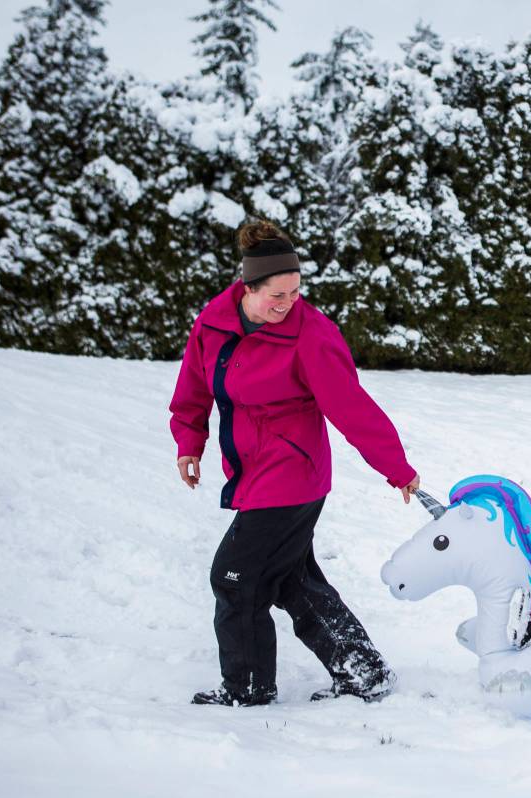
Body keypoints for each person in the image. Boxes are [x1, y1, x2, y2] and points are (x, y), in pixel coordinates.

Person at [169, 219, 420, 707]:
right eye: (276, 295)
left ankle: (247, 688)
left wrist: (396, 467)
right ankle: (363, 671)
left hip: (292, 475)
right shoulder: (214, 323)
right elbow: (194, 388)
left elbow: (351, 406)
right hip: (255, 471)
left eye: (295, 292)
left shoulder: (311, 335)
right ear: (247, 287)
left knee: (235, 578)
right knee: (290, 578)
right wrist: (189, 442)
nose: (287, 304)